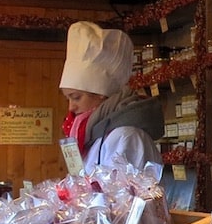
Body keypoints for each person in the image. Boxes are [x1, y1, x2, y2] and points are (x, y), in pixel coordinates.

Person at [59, 21, 163, 172]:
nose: (71, 107)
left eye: (76, 97)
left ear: (100, 93)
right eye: (68, 99)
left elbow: (125, 193)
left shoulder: (127, 136)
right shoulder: (94, 135)